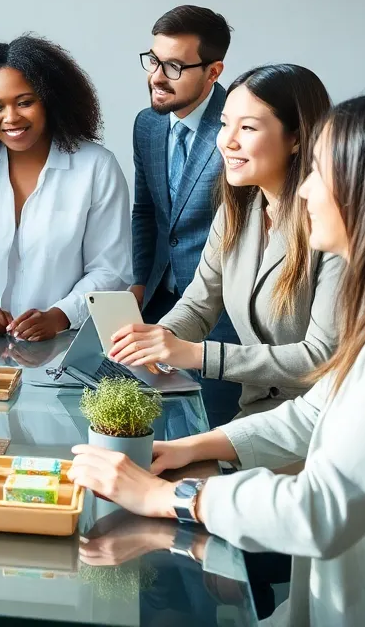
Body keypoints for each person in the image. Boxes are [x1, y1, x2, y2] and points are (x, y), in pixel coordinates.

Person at [69, 89, 365, 626]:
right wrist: (188, 447)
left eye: (320, 172)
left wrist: (170, 498)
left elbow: (321, 510)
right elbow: (319, 410)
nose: (305, 192)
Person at [109, 64, 342, 417]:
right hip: (257, 413)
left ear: (296, 138)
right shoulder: (237, 212)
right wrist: (154, 342)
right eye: (223, 123)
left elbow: (321, 356)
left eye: (247, 127)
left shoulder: (333, 228)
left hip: (321, 421)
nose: (227, 141)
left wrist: (195, 355)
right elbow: (199, 305)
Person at [0, 35, 132, 341]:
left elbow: (111, 269)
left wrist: (61, 315)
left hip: (66, 344)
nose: (11, 118)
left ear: (50, 101)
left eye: (25, 102)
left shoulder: (97, 167)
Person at [130, 5, 242, 427]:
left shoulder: (238, 130)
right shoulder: (148, 125)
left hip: (224, 313)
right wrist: (140, 284)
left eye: (174, 66)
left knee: (211, 428)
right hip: (160, 301)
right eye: (154, 60)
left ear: (213, 72)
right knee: (155, 424)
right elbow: (146, 212)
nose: (156, 76)